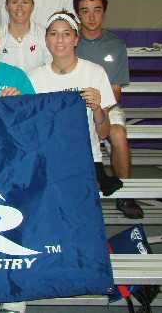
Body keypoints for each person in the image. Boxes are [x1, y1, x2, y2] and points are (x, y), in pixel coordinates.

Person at [28, 11, 122, 196]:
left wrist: (97, 108)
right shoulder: (33, 78)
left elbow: (103, 133)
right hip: (48, 158)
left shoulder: (94, 73)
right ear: (46, 40)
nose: (60, 40)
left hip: (86, 158)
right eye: (53, 34)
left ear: (76, 39)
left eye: (66, 33)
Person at [74, 0, 143, 219]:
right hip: (75, 107)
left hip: (107, 105)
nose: (91, 16)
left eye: (97, 10)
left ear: (104, 12)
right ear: (78, 14)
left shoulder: (116, 45)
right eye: (85, 11)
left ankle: (126, 194)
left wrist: (98, 114)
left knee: (118, 134)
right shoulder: (70, 42)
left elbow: (115, 91)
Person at [0, 0, 51, 73]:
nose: (19, 7)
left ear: (32, 6)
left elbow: (52, 69)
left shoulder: (45, 36)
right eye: (15, 2)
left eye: (25, 2)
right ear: (6, 6)